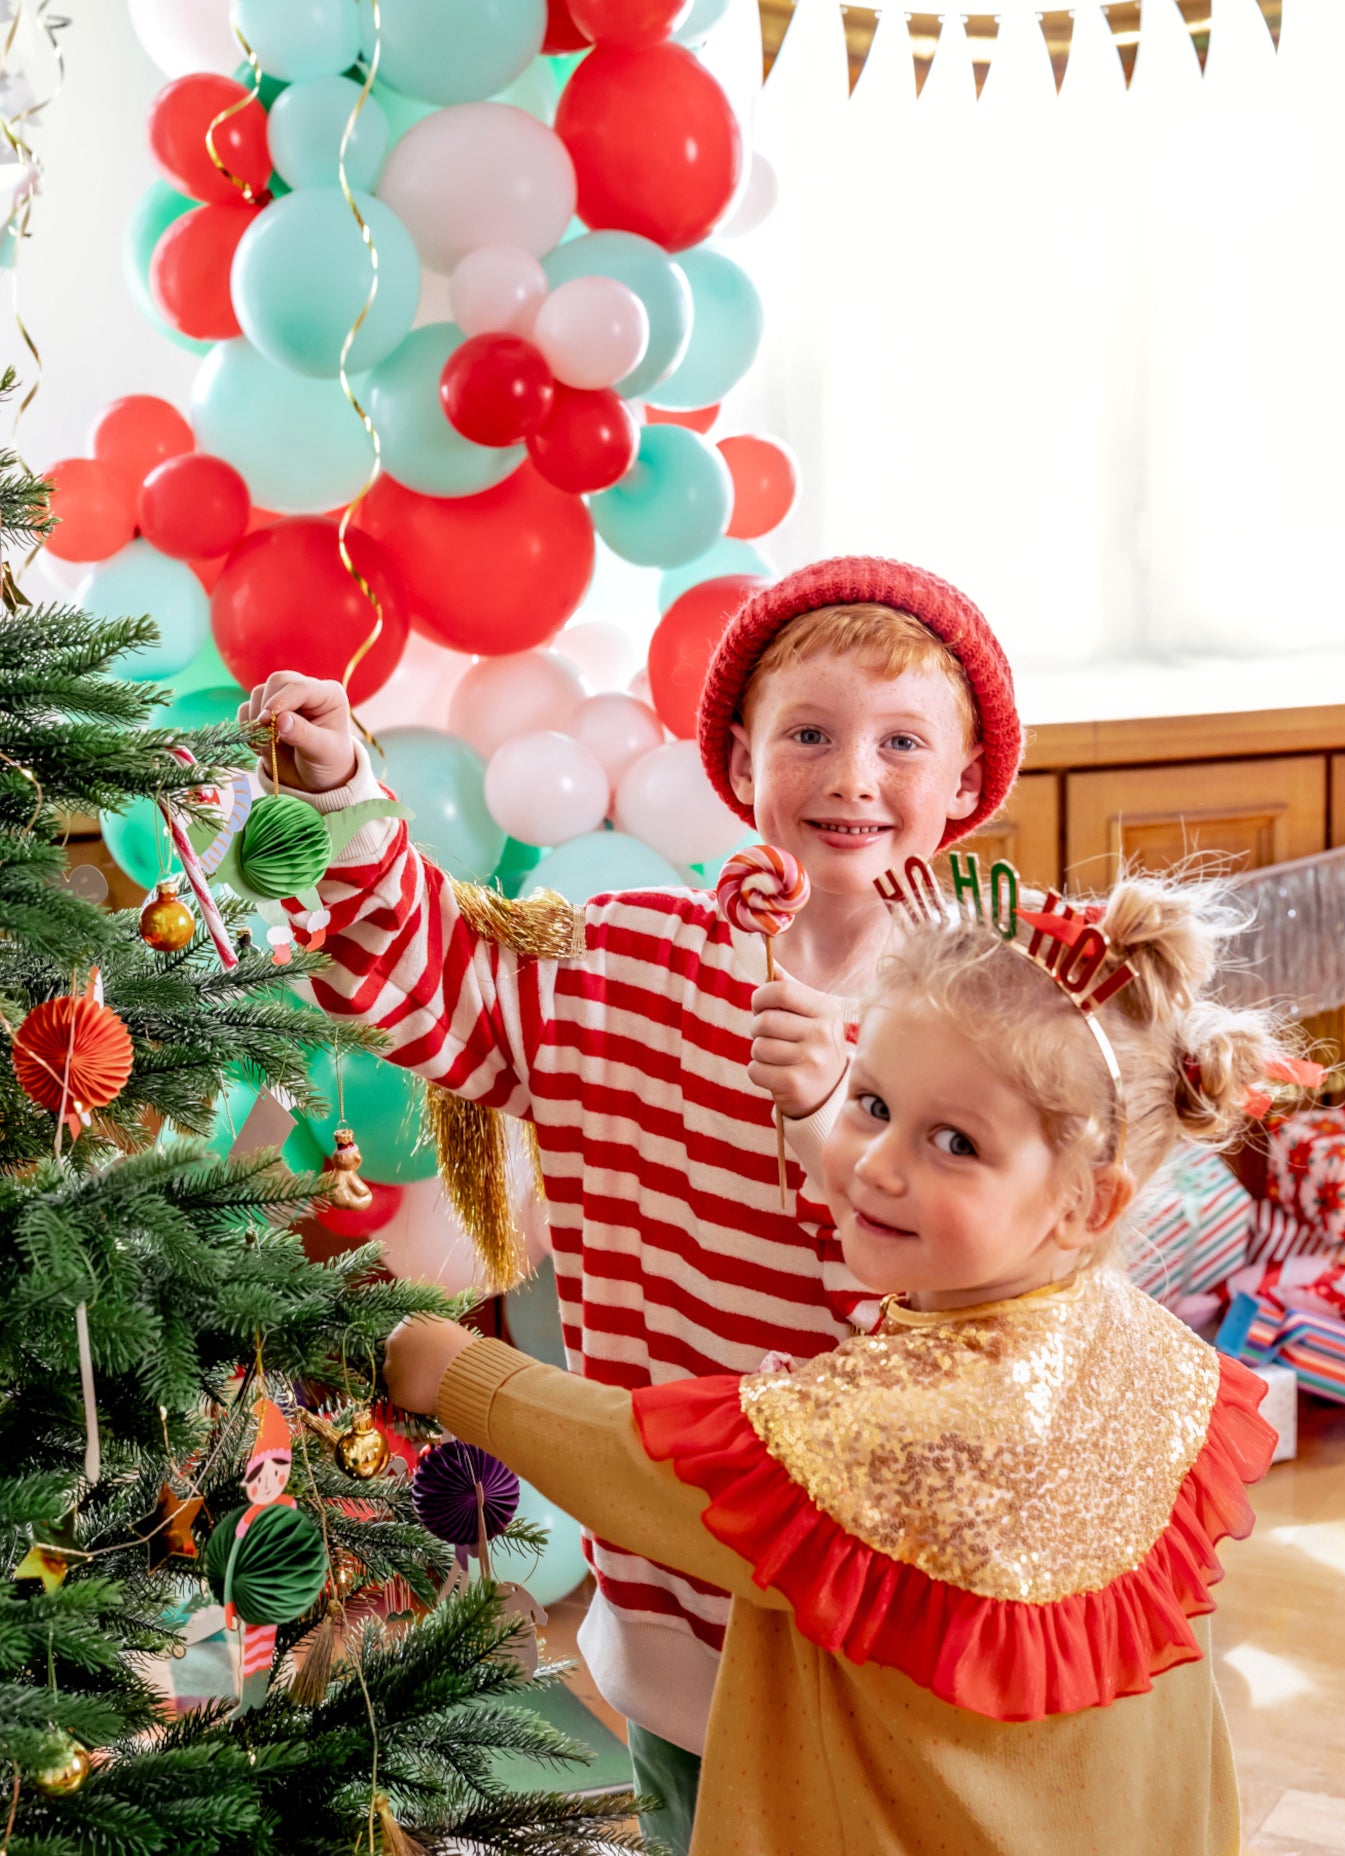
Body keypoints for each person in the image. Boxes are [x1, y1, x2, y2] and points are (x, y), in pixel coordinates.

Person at [236, 558, 1024, 1851]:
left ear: (964, 780)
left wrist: (842, 1108)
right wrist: (337, 789)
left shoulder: (999, 1005)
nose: (850, 778)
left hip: (901, 1626)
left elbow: (1020, 1282)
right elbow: (422, 975)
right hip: (674, 1622)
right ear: (736, 754)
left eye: (900, 742)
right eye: (808, 734)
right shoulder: (624, 957)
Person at [384, 864, 1312, 1856]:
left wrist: (453, 1370)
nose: (876, 1162)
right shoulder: (1143, 1347)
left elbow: (643, 1465)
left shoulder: (907, 1414)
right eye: (870, 1102)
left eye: (953, 1141)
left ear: (1088, 1204)